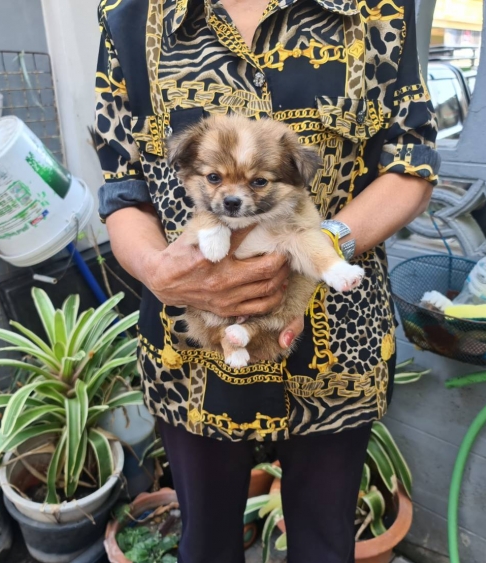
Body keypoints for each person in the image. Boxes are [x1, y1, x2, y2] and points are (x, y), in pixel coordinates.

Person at [93, 0, 439, 561]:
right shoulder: (129, 15)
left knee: (325, 544)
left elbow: (412, 165)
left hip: (334, 340)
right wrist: (157, 270)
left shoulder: (376, 9)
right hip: (192, 346)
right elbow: (122, 185)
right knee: (205, 545)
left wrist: (317, 246)